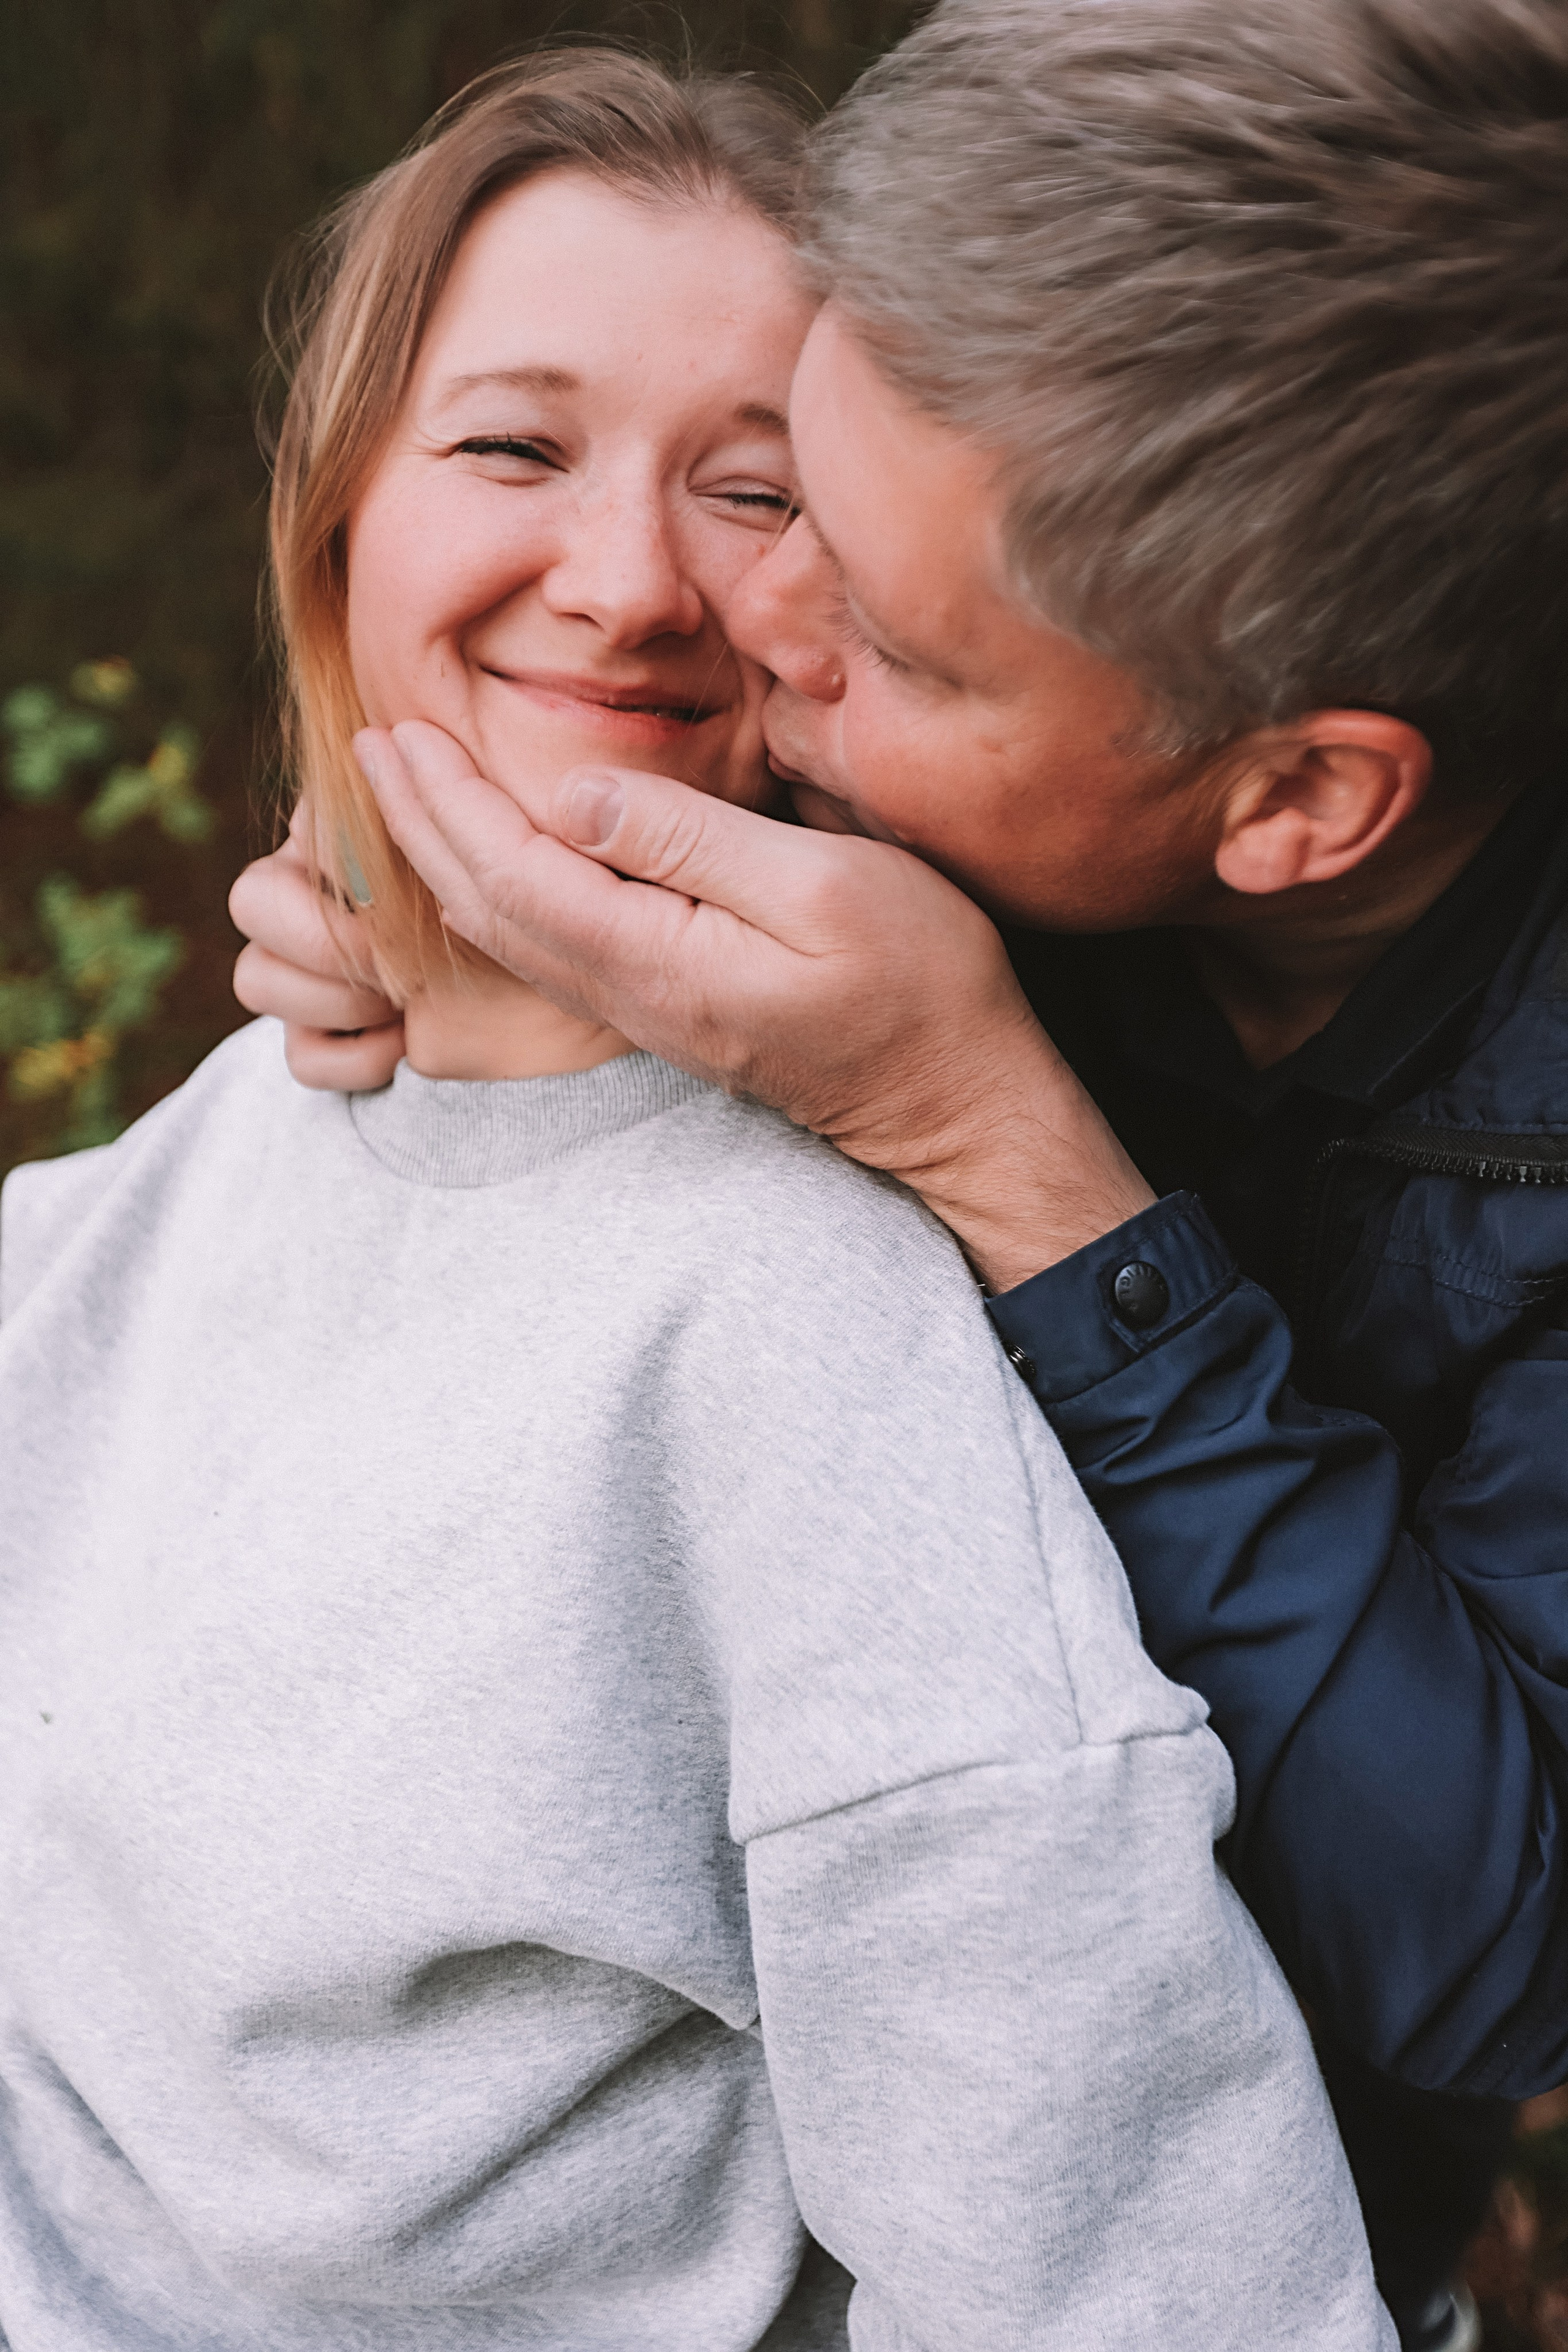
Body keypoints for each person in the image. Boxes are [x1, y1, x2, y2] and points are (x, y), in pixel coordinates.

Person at [0, 49, 1391, 2352]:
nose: (629, 579)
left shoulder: (811, 1338)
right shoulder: (103, 1237)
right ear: (337, 508)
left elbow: (1139, 2275)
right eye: (513, 446)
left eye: (753, 496)